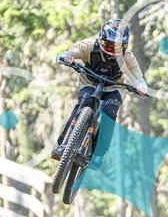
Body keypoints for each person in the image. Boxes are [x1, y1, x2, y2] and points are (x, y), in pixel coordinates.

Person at [51, 18, 148, 170]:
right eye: (108, 45)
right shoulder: (88, 47)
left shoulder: (127, 57)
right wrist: (66, 57)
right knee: (85, 102)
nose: (112, 51)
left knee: (110, 112)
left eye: (117, 47)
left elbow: (138, 78)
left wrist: (141, 86)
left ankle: (98, 154)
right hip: (89, 83)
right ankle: (64, 143)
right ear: (101, 39)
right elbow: (68, 53)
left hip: (113, 88)